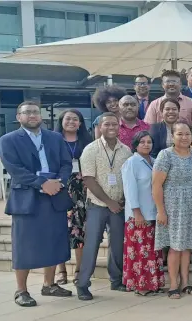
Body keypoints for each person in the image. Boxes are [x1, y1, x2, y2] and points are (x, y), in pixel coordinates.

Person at [0, 101, 74, 307]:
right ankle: (21, 290)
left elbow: (66, 163)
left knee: (54, 241)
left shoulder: (55, 138)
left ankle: (49, 285)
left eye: (35, 112)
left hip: (54, 195)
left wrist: (59, 182)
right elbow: (15, 169)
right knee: (24, 245)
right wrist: (42, 183)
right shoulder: (8, 140)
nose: (32, 115)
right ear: (18, 117)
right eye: (27, 112)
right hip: (26, 198)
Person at [77, 112, 133, 300]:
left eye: (115, 124)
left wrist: (123, 200)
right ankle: (83, 284)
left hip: (119, 206)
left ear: (119, 126)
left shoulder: (126, 150)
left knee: (117, 245)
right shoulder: (90, 149)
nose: (111, 127)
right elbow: (88, 179)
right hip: (98, 205)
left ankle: (116, 281)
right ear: (100, 127)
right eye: (106, 124)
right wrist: (109, 202)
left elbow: (128, 178)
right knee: (92, 245)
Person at [153, 122, 192, 299]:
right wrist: (161, 211)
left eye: (187, 134)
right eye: (180, 134)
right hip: (173, 204)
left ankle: (186, 283)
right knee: (175, 246)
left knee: (187, 246)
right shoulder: (165, 155)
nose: (184, 137)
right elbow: (156, 185)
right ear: (173, 136)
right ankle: (173, 285)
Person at [121, 131, 165, 295]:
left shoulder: (154, 161)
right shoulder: (132, 162)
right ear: (135, 144)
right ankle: (141, 286)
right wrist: (137, 213)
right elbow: (129, 189)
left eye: (149, 142)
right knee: (140, 252)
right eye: (142, 142)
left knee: (153, 250)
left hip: (154, 212)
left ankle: (153, 283)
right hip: (138, 215)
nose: (146, 145)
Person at [54, 109, 92, 286]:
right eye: (67, 119)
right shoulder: (53, 140)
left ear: (80, 123)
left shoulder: (87, 141)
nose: (71, 122)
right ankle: (61, 272)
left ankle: (78, 270)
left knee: (80, 231)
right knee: (58, 231)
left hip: (81, 190)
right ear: (61, 121)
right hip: (59, 188)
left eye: (75, 119)